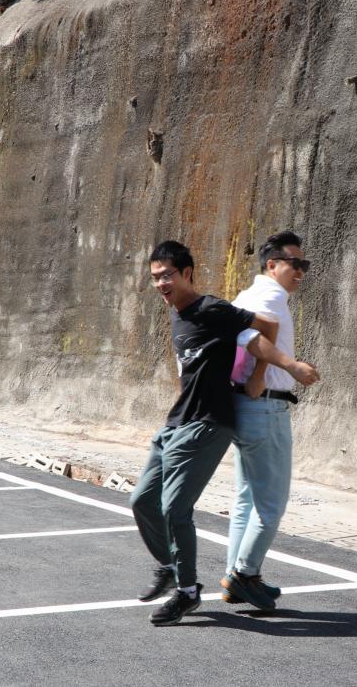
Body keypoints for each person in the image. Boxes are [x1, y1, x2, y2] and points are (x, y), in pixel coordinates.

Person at [130, 240, 319, 626]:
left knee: (175, 509)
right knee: (142, 501)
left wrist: (284, 367)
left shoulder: (211, 308)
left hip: (208, 422)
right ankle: (171, 566)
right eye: (155, 278)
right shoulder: (178, 315)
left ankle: (188, 592)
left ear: (187, 273)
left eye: (167, 275)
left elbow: (262, 330)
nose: (161, 283)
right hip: (177, 421)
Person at [220, 230, 318, 611]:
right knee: (271, 503)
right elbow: (256, 333)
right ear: (272, 264)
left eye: (303, 264)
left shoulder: (246, 295)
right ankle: (244, 574)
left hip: (244, 407)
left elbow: (243, 334)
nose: (301, 271)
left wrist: (260, 371)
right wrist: (274, 370)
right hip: (265, 409)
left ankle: (237, 576)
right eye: (295, 264)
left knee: (246, 498)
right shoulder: (271, 295)